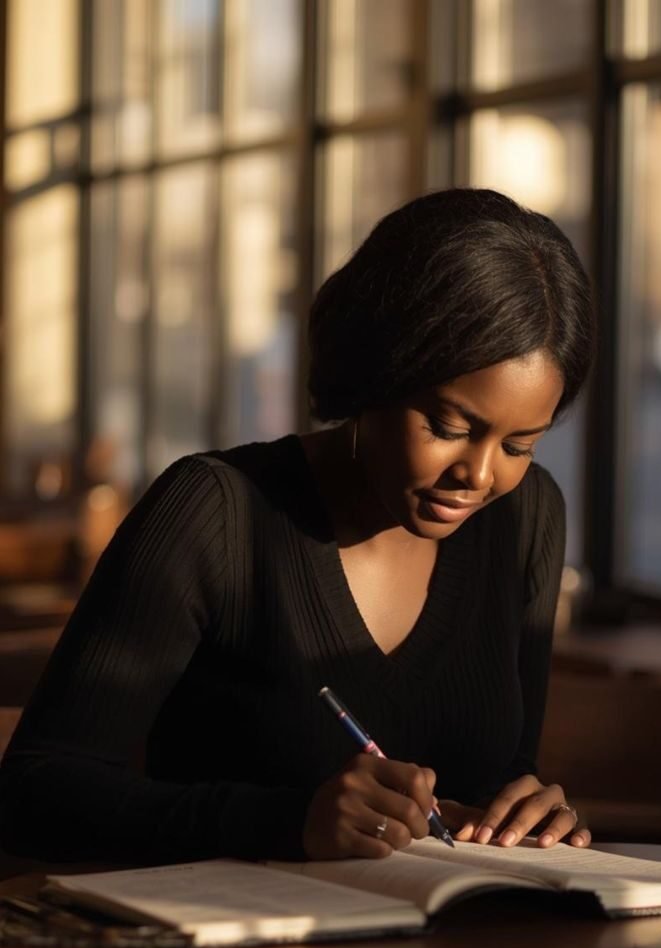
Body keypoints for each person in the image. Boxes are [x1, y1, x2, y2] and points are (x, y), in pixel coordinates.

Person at [0, 188, 594, 864]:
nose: (480, 475)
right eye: (450, 427)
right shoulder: (214, 514)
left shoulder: (529, 518)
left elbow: (501, 773)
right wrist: (288, 822)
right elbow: (32, 792)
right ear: (377, 372)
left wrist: (522, 812)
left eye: (520, 445)